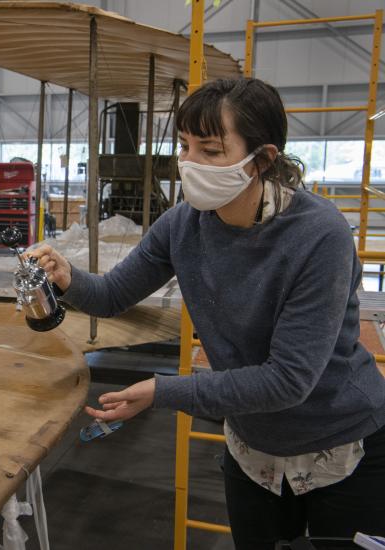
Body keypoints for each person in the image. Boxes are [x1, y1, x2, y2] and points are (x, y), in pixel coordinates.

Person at [28, 78, 385, 548]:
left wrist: (162, 390)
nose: (189, 163)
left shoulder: (318, 236)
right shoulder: (185, 223)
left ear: (262, 160)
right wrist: (64, 275)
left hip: (340, 446)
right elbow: (114, 294)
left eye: (212, 150)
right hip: (253, 448)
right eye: (184, 146)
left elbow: (288, 380)